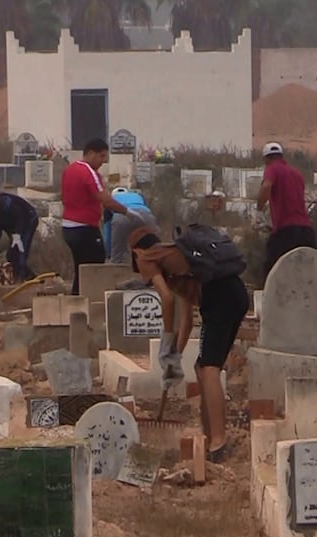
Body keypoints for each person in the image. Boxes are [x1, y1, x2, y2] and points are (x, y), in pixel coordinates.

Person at [129, 226, 249, 464]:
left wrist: (165, 340)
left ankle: (218, 441)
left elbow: (166, 298)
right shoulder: (179, 259)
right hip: (236, 293)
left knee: (209, 368)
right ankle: (209, 435)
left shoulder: (147, 257)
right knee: (201, 367)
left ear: (135, 252)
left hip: (217, 298)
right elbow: (185, 319)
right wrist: (174, 357)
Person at [61, 138, 133, 294]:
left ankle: (77, 298)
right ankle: (91, 300)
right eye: (101, 156)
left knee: (81, 267)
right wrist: (128, 212)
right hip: (83, 227)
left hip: (68, 226)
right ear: (91, 153)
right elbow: (106, 200)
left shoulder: (70, 169)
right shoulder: (88, 172)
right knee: (95, 265)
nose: (103, 161)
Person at [257, 142, 316, 279]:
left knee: (272, 271)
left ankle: (269, 300)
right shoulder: (297, 174)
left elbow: (266, 186)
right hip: (306, 231)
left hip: (286, 230)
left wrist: (259, 209)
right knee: (308, 272)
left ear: (266, 159)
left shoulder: (272, 169)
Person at [0, 190, 40, 282]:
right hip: (12, 227)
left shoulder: (1, 201)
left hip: (28, 220)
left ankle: (21, 280)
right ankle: (31, 278)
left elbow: (18, 214)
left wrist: (17, 235)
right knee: (11, 256)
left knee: (20, 253)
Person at [105, 188, 158, 265]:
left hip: (121, 216)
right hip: (145, 215)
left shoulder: (110, 200)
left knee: (117, 257)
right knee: (155, 249)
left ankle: (116, 266)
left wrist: (109, 254)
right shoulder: (138, 196)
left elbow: (108, 232)